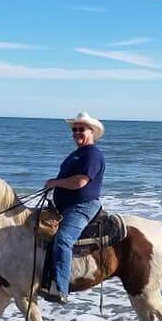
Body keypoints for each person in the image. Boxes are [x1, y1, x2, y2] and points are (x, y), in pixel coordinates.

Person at [39, 111, 106, 304]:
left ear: (91, 131)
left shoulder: (92, 154)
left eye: (81, 129)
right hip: (65, 206)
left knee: (63, 239)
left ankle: (60, 288)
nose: (77, 132)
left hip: (83, 206)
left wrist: (54, 183)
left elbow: (80, 182)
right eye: (74, 129)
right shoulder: (76, 154)